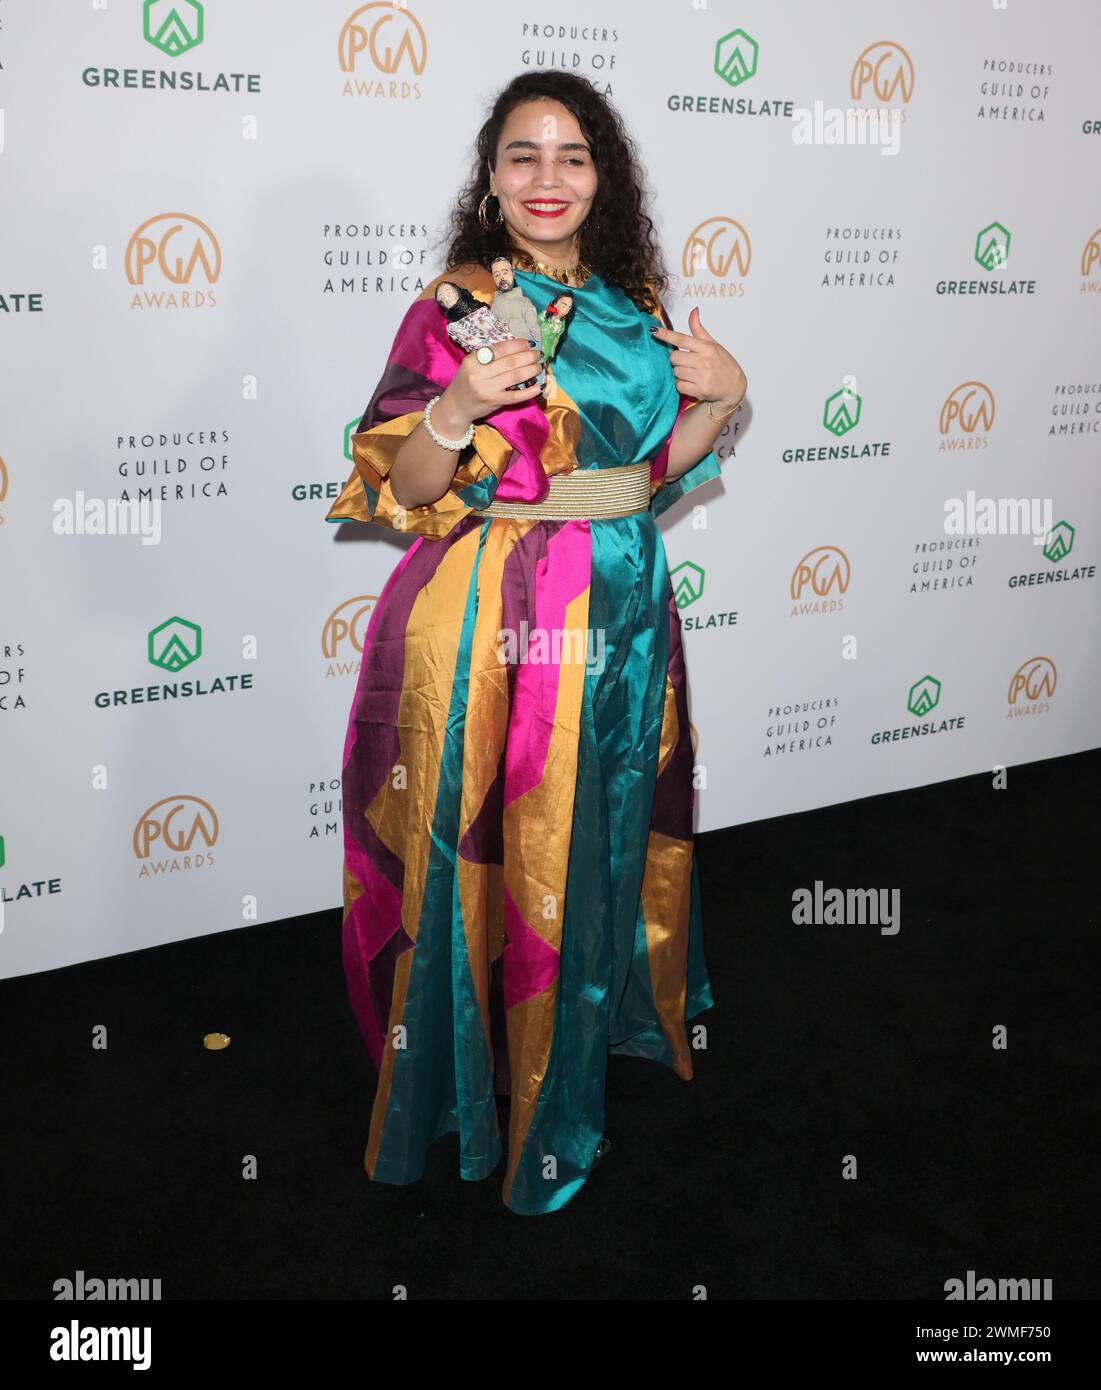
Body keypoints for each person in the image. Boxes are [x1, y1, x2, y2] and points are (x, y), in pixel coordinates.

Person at [326, 70, 747, 1216]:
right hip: (494, 608)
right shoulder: (458, 304)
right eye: (524, 156)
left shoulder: (631, 300)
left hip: (620, 596)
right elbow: (405, 482)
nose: (548, 178)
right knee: (490, 829)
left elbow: (645, 480)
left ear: (602, 174)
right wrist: (456, 409)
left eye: (573, 156)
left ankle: (579, 1023)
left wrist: (723, 398)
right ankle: (478, 1066)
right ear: (491, 175)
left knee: (601, 815)